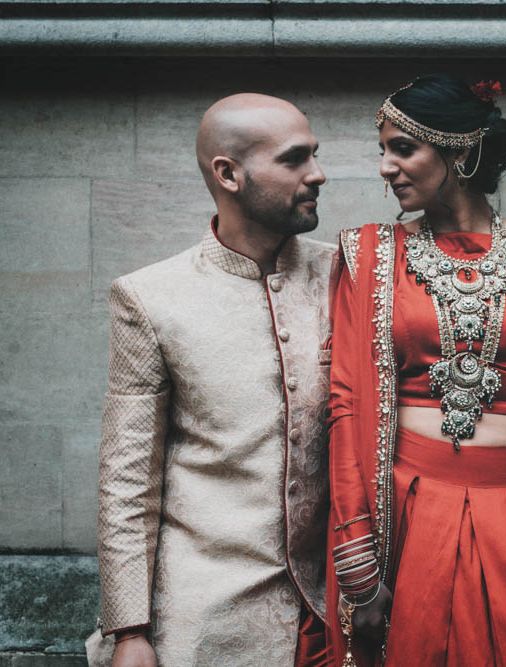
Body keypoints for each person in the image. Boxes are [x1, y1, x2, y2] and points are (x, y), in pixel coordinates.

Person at [326, 75, 506, 666]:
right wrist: (354, 554)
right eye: (383, 150)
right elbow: (347, 404)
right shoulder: (373, 255)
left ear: (458, 149)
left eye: (402, 148)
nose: (385, 167)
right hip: (413, 505)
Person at [87, 93, 333, 667]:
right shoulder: (150, 297)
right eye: (294, 159)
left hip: (339, 618)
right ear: (229, 174)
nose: (317, 174)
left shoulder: (346, 273)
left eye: (314, 155)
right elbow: (128, 477)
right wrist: (129, 631)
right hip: (206, 619)